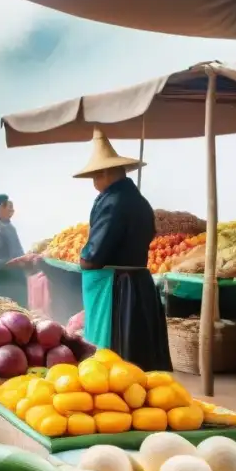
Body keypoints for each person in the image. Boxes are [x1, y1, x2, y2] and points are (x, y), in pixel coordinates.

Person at [77, 130, 170, 371]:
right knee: (139, 356)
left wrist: (84, 258)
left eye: (94, 177)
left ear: (105, 173)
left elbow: (94, 255)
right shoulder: (138, 200)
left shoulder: (113, 202)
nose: (94, 183)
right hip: (138, 284)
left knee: (116, 358)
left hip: (119, 291)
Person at [0, 194, 28, 305]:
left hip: (18, 279)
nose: (12, 210)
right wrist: (16, 262)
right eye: (8, 206)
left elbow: (17, 252)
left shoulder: (10, 227)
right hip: (5, 282)